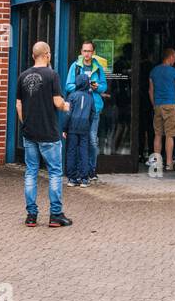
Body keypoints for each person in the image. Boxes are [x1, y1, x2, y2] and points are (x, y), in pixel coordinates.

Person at [16, 41, 71, 228]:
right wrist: (65, 106)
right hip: (49, 133)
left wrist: (27, 123)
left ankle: (31, 215)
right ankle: (55, 215)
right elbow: (57, 102)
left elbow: (18, 105)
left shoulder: (22, 76)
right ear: (47, 55)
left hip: (29, 133)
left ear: (33, 56)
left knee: (30, 172)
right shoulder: (52, 75)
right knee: (55, 172)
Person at [65, 41, 108, 184]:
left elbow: (104, 86)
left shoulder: (98, 67)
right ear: (81, 51)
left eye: (89, 51)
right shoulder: (75, 66)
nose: (87, 54)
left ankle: (91, 170)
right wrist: (82, 87)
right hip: (79, 111)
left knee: (92, 140)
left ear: (93, 52)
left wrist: (96, 87)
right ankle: (79, 172)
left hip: (94, 107)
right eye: (84, 51)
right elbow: (68, 85)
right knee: (77, 142)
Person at [148, 48, 175, 173]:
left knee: (157, 134)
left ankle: (156, 163)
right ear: (171, 57)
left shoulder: (154, 71)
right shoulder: (174, 72)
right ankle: (168, 163)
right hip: (171, 105)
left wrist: (154, 104)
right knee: (169, 135)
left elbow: (150, 90)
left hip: (157, 105)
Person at [64, 72, 94, 187]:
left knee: (71, 152)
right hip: (84, 127)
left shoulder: (72, 96)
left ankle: (72, 178)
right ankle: (84, 179)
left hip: (72, 127)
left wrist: (64, 128)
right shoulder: (90, 97)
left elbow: (68, 114)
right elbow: (92, 113)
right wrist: (88, 124)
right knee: (84, 152)